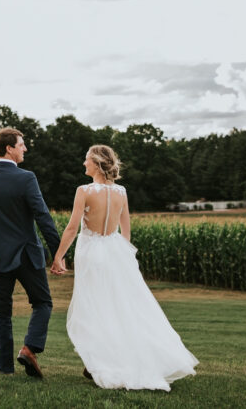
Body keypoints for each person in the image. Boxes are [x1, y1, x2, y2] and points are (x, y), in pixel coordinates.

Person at [50, 144, 198, 390]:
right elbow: (125, 231)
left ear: (97, 163)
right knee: (119, 306)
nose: (84, 163)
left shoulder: (84, 190)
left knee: (94, 308)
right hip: (115, 252)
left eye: (86, 159)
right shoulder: (121, 192)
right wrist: (120, 256)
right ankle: (113, 358)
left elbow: (72, 228)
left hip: (91, 254)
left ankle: (103, 361)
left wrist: (58, 257)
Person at [0, 127, 62, 378]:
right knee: (42, 302)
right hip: (27, 255)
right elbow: (42, 216)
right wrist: (58, 252)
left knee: (1, 312)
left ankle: (6, 369)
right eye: (22, 144)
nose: (25, 148)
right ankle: (29, 348)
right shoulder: (26, 178)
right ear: (9, 148)